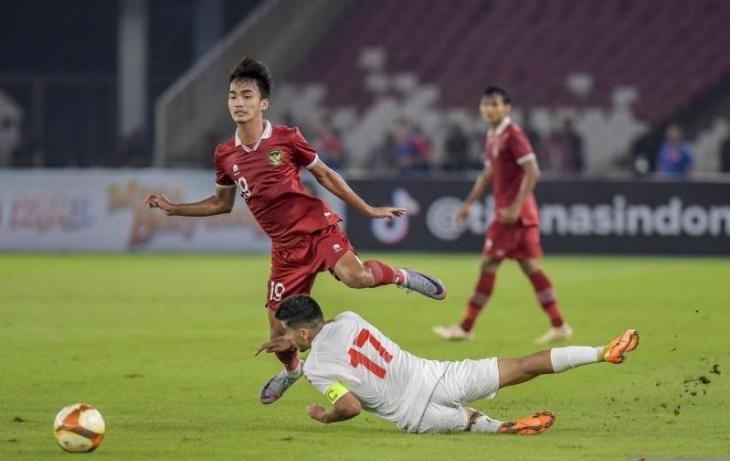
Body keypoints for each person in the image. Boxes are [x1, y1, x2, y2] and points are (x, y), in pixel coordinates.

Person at [145, 57, 446, 405]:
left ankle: (403, 277)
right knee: (279, 335)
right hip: (285, 250)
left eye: (246, 96)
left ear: (263, 103)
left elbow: (326, 175)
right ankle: (292, 371)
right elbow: (221, 204)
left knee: (356, 277)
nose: (238, 103)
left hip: (317, 229)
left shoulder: (287, 139)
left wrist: (366, 208)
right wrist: (174, 208)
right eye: (232, 96)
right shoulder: (225, 154)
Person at [256, 294, 639, 434]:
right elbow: (327, 339)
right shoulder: (350, 318)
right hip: (437, 376)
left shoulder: (318, 368)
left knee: (469, 423)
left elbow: (350, 406)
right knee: (523, 365)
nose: (288, 339)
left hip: (415, 415)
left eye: (289, 333)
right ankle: (601, 352)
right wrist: (293, 343)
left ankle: (505, 427)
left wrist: (324, 416)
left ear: (304, 335)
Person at [432, 86, 571, 343]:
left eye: (495, 104)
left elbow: (533, 172)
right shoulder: (493, 135)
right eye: (485, 104)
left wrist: (516, 206)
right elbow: (488, 174)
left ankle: (465, 328)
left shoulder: (513, 135)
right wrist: (468, 203)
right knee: (529, 266)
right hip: (515, 212)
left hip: (511, 214)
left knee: (488, 264)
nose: (489, 109)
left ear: (507, 108)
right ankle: (559, 325)